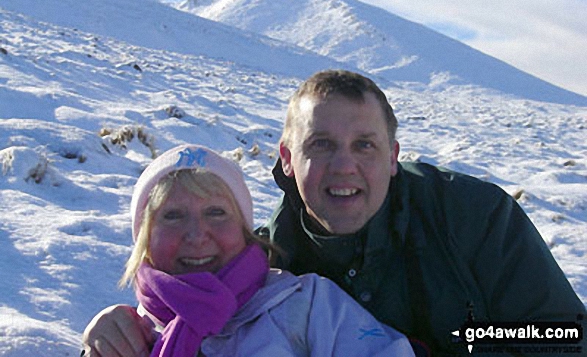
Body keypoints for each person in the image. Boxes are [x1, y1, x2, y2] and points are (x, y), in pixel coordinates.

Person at [83, 70, 586, 355]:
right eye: (321, 145)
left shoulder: (470, 216)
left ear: (392, 156)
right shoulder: (268, 266)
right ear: (287, 158)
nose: (343, 167)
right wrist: (106, 330)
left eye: (364, 145)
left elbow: (566, 334)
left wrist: (464, 341)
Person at [82, 143, 414, 356]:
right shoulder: (131, 333)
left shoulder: (308, 305)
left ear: (244, 230)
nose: (197, 235)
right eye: (172, 216)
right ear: (145, 238)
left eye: (216, 212)